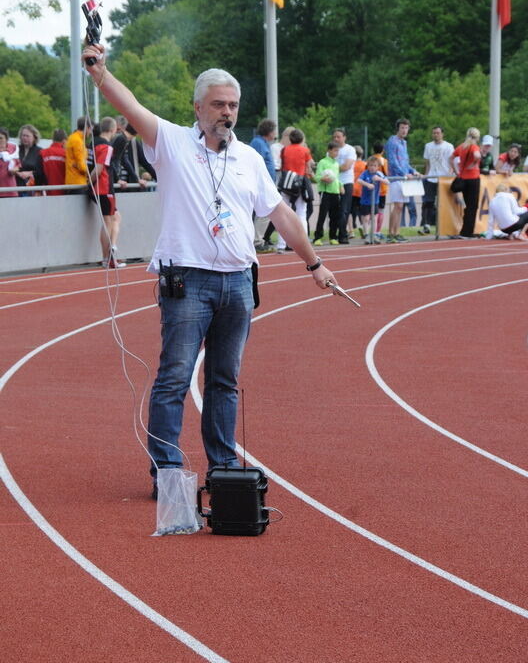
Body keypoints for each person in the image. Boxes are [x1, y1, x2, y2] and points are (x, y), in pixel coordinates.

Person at [81, 41, 338, 495]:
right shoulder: (171, 142)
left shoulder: (249, 158)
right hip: (188, 281)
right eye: (218, 104)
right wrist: (100, 72)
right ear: (197, 107)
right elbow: (131, 107)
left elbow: (281, 214)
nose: (227, 112)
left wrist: (314, 263)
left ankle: (223, 467)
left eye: (233, 105)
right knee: (174, 378)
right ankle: (167, 472)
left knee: (224, 381)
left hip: (239, 282)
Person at [88, 116, 126, 268]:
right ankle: (107, 258)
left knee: (114, 218)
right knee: (108, 221)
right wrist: (89, 182)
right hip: (103, 187)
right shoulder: (106, 146)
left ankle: (110, 254)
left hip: (99, 187)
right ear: (113, 129)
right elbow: (99, 169)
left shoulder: (92, 143)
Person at [276, 127, 313, 253]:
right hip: (300, 183)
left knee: (283, 214)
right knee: (301, 212)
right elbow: (309, 166)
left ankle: (281, 244)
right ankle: (304, 243)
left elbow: (282, 166)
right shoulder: (305, 150)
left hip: (286, 183)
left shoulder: (284, 149)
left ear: (290, 139)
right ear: (302, 139)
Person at [384, 118, 420, 243]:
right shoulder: (392, 141)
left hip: (404, 179)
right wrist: (404, 174)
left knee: (400, 207)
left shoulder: (404, 143)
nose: (404, 130)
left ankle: (397, 232)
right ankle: (391, 234)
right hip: (396, 178)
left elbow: (405, 162)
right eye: (402, 128)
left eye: (406, 128)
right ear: (398, 129)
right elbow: (393, 161)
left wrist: (413, 171)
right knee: (397, 205)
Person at [420, 125, 454, 234]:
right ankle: (426, 224)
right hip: (431, 178)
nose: (436, 135)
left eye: (438, 133)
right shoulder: (428, 146)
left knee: (444, 202)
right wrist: (426, 175)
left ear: (442, 134)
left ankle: (445, 225)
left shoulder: (448, 146)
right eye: (434, 133)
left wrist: (449, 174)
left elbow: (452, 162)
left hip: (443, 178)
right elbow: (427, 163)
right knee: (428, 202)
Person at [250, 118, 277, 251]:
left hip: (265, 183)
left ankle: (257, 240)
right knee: (265, 211)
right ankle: (256, 241)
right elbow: (255, 163)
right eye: (274, 131)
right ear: (269, 131)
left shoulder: (263, 143)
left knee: (265, 211)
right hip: (260, 184)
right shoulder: (258, 143)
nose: (275, 133)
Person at [451, 127, 481, 238]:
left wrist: (456, 171)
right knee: (472, 206)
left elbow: (451, 158)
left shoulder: (462, 147)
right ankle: (467, 232)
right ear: (477, 137)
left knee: (468, 205)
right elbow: (477, 156)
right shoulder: (474, 147)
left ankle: (465, 230)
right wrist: (474, 164)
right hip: (473, 178)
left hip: (463, 178)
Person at [313, 141, 342, 246]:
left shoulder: (336, 164)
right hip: (325, 192)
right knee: (322, 215)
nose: (336, 153)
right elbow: (317, 177)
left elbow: (337, 178)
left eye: (338, 151)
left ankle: (333, 237)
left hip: (335, 192)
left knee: (334, 216)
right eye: (335, 151)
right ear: (329, 150)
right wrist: (323, 178)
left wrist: (341, 186)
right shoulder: (322, 162)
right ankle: (317, 237)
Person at [332, 128, 357, 244]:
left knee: (344, 209)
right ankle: (333, 235)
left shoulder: (350, 149)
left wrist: (332, 168)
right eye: (334, 137)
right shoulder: (331, 150)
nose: (336, 139)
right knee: (334, 211)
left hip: (346, 182)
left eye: (338, 137)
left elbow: (346, 166)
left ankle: (343, 235)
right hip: (333, 183)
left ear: (344, 137)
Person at [358, 156, 389, 244]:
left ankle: (374, 235)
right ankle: (367, 234)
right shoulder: (365, 173)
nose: (372, 167)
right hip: (365, 200)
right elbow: (359, 180)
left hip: (375, 200)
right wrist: (367, 184)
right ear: (368, 166)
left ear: (378, 167)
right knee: (366, 218)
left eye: (374, 166)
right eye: (370, 165)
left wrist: (379, 179)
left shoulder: (379, 174)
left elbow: (387, 182)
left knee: (374, 218)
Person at [34, 129, 67, 195]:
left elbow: (38, 173)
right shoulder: (66, 154)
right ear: (64, 141)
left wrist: (38, 190)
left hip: (48, 191)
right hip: (65, 191)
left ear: (52, 139)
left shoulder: (42, 153)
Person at [14, 124, 41, 196]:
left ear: (34, 137)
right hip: (15, 187)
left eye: (27, 136)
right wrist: (16, 172)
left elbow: (42, 171)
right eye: (23, 135)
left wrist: (30, 173)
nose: (25, 138)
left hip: (32, 189)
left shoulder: (40, 152)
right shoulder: (15, 149)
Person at [65, 117, 91, 192]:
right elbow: (81, 165)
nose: (90, 132)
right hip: (78, 182)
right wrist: (91, 173)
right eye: (90, 129)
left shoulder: (72, 137)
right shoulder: (78, 141)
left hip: (72, 181)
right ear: (86, 128)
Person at [371, 142, 388, 239]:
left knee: (372, 210)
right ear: (383, 151)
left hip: (372, 188)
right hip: (382, 189)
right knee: (381, 210)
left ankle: (370, 230)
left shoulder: (370, 159)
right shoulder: (384, 161)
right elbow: (386, 173)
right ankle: (378, 231)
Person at [0, 127, 18, 197]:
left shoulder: (13, 149)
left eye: (1, 138)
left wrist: (15, 170)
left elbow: (19, 165)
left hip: (10, 191)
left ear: (6, 139)